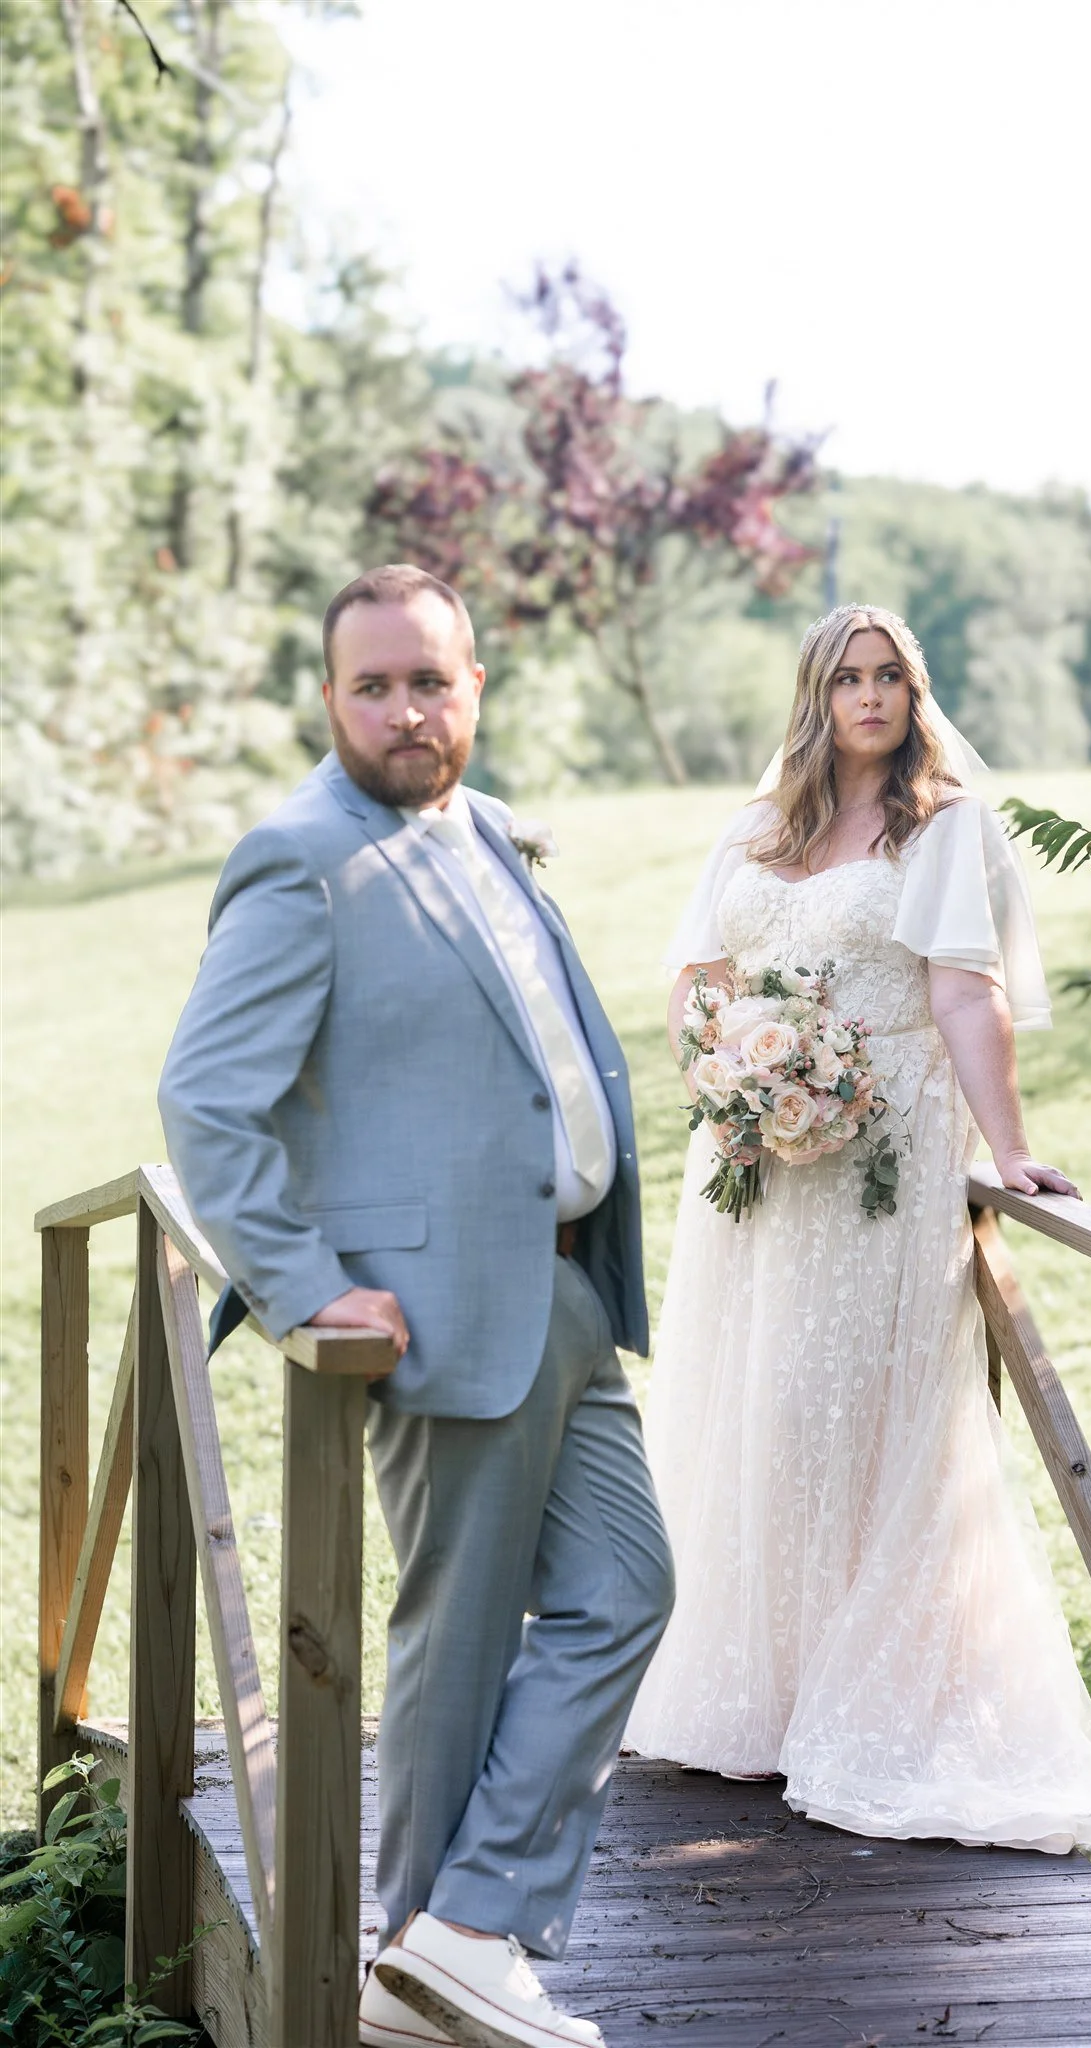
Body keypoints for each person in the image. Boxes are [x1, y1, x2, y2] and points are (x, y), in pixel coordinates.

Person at [158, 564, 674, 2048]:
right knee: (454, 1643)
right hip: (436, 1313)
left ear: (473, 688)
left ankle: (464, 1925)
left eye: (428, 680)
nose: (403, 708)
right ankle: (418, 1962)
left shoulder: (486, 831)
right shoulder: (301, 858)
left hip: (566, 1290)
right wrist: (311, 1288)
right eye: (372, 684)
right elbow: (208, 1100)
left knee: (625, 1593)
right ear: (329, 698)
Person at [624, 604, 1091, 1881]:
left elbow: (962, 991)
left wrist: (1008, 1144)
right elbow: (696, 980)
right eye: (847, 677)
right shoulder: (761, 828)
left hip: (883, 1155)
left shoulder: (943, 824)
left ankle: (859, 1699)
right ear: (816, 695)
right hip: (752, 1162)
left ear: (914, 694)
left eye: (889, 678)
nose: (870, 696)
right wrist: (737, 1077)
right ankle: (750, 1694)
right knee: (747, 1402)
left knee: (843, 1407)